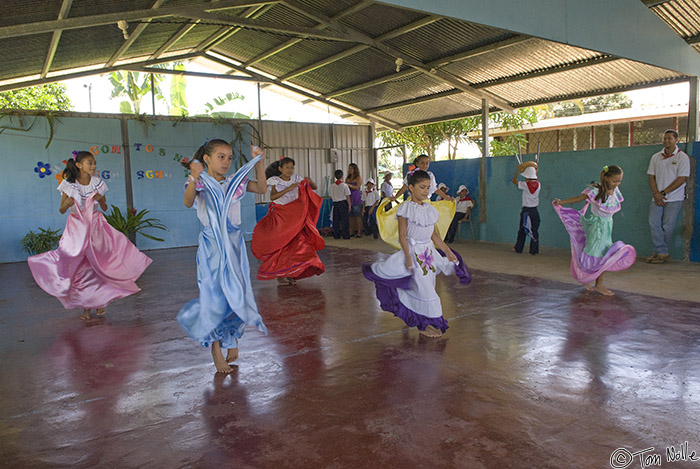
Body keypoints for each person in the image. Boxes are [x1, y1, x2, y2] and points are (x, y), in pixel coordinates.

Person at [177, 141, 268, 374]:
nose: (226, 162)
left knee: (236, 293)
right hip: (212, 247)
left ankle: (231, 336)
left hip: (234, 245)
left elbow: (261, 189)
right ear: (206, 159)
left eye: (229, 157)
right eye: (220, 157)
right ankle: (216, 350)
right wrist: (195, 178)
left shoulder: (234, 183)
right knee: (213, 296)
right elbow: (188, 201)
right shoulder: (201, 182)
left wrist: (260, 162)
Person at [28, 151, 152, 320]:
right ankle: (85, 305)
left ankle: (99, 303)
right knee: (79, 267)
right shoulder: (68, 185)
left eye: (94, 163)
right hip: (77, 228)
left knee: (98, 265)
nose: (93, 166)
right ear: (79, 165)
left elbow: (105, 207)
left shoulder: (98, 183)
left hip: (95, 227)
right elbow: (61, 209)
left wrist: (101, 200)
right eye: (89, 163)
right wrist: (66, 203)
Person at [362, 170, 471, 338]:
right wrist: (407, 256)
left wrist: (447, 252)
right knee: (426, 291)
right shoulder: (405, 208)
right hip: (414, 253)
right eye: (422, 187)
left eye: (428, 188)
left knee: (425, 287)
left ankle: (421, 320)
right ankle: (424, 325)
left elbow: (434, 235)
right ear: (411, 188)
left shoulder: (430, 209)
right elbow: (402, 236)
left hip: (428, 254)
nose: (426, 191)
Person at [553, 165, 636, 296]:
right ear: (606, 178)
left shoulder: (614, 190)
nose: (617, 184)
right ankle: (598, 284)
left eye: (619, 181)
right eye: (614, 181)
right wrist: (561, 202)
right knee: (599, 255)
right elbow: (578, 198)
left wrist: (615, 186)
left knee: (601, 254)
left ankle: (589, 278)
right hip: (597, 227)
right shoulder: (595, 190)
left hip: (607, 226)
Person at [252, 157, 325, 285]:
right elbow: (273, 196)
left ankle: (293, 272)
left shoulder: (296, 179)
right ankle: (280, 274)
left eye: (292, 167)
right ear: (280, 168)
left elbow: (313, 187)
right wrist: (289, 189)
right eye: (287, 167)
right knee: (282, 246)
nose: (290, 170)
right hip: (281, 216)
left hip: (296, 217)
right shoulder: (274, 181)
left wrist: (309, 181)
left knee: (298, 245)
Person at [646, 129, 690, 264]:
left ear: (676, 140)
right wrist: (656, 194)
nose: (666, 141)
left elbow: (681, 179)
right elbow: (651, 177)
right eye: (665, 138)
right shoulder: (656, 157)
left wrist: (663, 193)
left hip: (674, 198)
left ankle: (659, 251)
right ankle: (662, 252)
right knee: (653, 222)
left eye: (670, 138)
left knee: (667, 226)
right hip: (657, 197)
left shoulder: (682, 157)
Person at [512, 164, 541, 255]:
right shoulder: (539, 184)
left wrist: (517, 170)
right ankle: (534, 250)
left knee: (522, 230)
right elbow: (534, 178)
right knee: (535, 230)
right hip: (535, 211)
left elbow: (514, 181)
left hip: (526, 211)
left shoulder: (525, 185)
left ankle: (518, 248)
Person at [328, 169, 351, 239]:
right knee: (345, 220)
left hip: (335, 203)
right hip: (343, 203)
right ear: (342, 176)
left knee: (336, 220)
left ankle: (336, 235)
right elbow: (347, 196)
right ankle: (345, 235)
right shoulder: (344, 185)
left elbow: (330, 196)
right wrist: (349, 205)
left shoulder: (332, 186)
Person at [346, 163, 363, 237]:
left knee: (357, 216)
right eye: (349, 169)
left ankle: (359, 231)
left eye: (351, 169)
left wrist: (350, 185)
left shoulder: (358, 177)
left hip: (356, 197)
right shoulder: (348, 178)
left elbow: (357, 187)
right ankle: (351, 231)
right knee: (350, 216)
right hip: (349, 197)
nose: (349, 170)